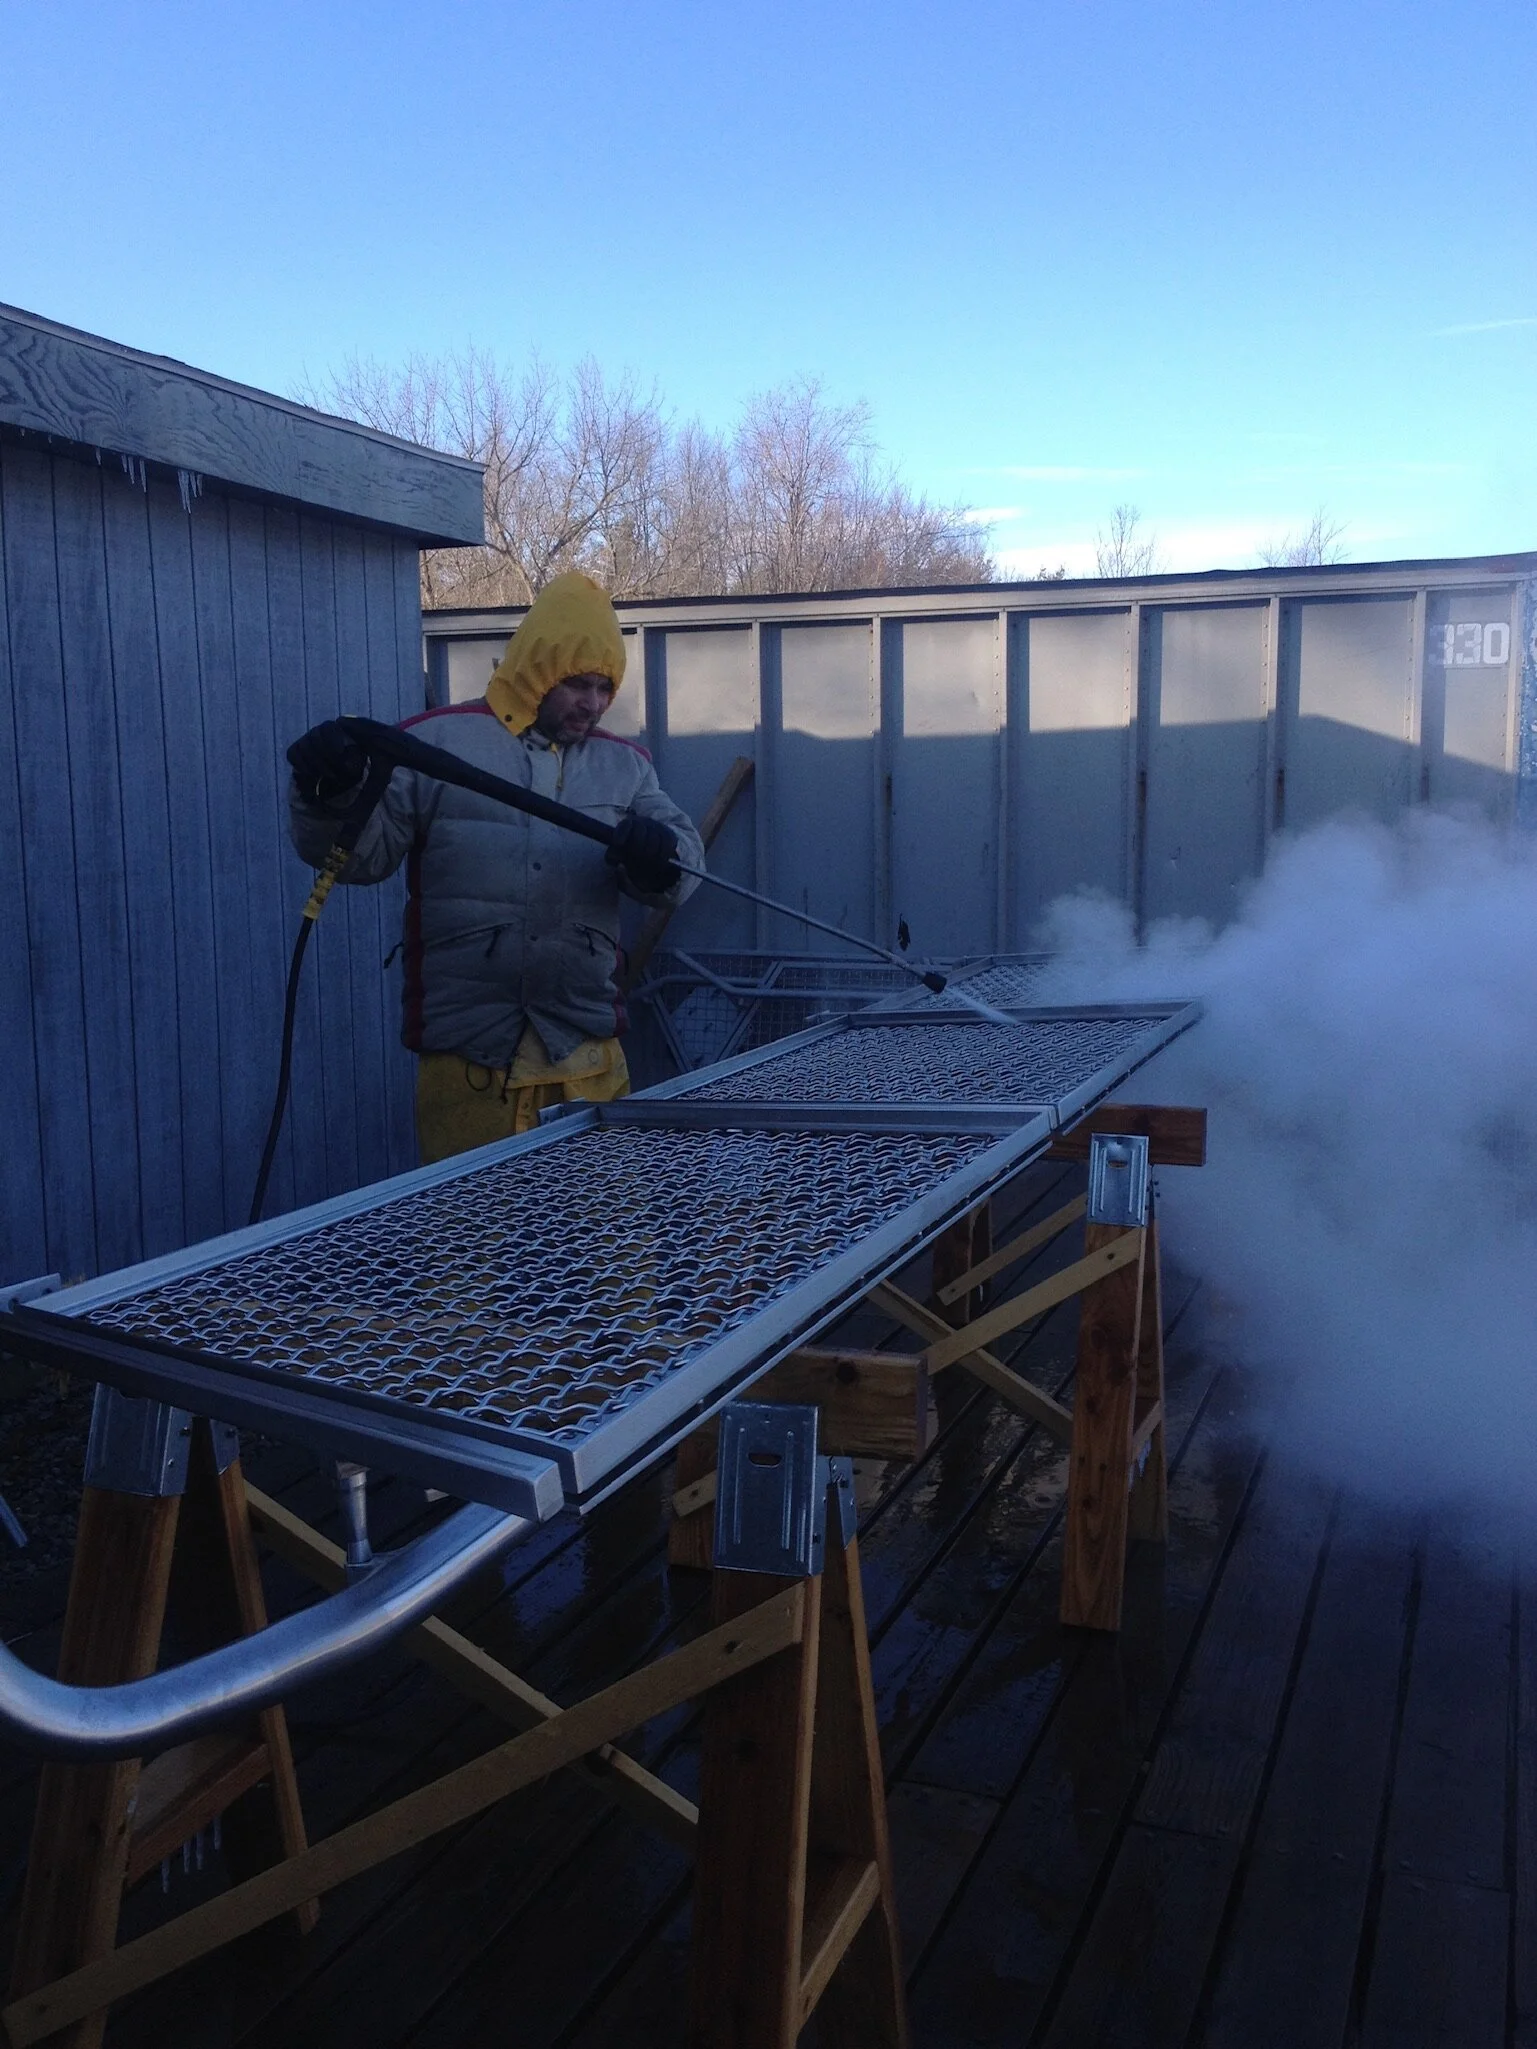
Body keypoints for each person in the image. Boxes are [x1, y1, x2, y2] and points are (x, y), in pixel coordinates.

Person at [286, 571, 704, 1163]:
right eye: (577, 683)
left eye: (604, 686)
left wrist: (661, 859)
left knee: (609, 1249)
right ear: (538, 669)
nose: (594, 703)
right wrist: (324, 792)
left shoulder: (625, 768)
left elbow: (684, 869)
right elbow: (359, 857)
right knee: (476, 1251)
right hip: (469, 1068)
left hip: (586, 1061)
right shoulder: (435, 746)